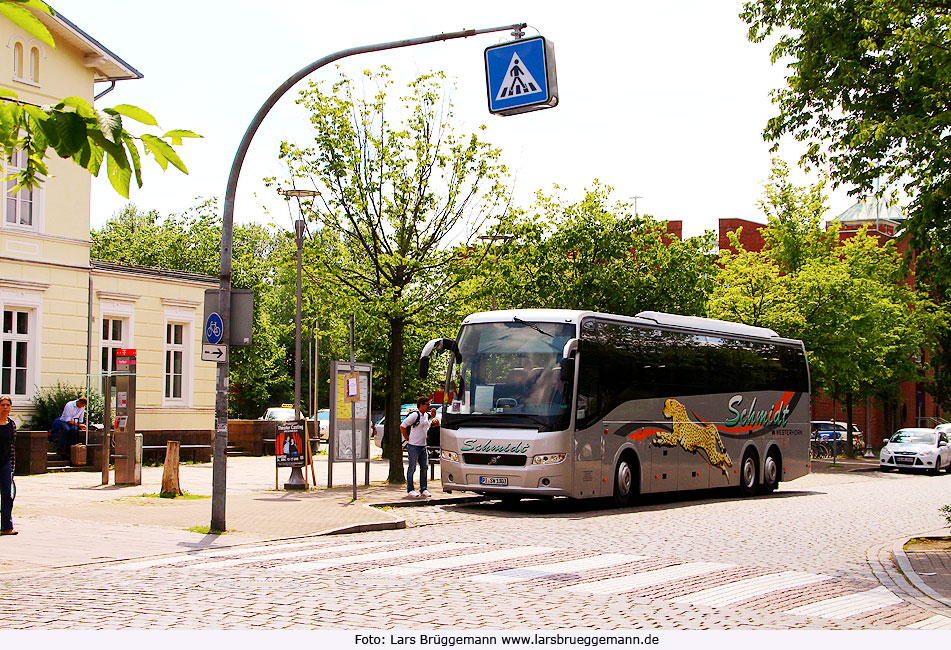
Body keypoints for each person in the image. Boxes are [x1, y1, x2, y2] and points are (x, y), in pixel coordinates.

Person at [401, 396, 439, 498]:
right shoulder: (415, 415)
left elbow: (429, 418)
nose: (429, 406)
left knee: (424, 468)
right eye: (427, 405)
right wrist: (406, 437)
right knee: (412, 467)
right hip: (414, 446)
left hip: (423, 446)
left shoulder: (426, 415)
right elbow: (403, 426)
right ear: (421, 405)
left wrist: (433, 415)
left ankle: (423, 488)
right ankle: (410, 489)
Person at [0, 394, 17, 535]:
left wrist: (12, 467)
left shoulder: (11, 425)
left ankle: (7, 526)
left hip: (5, 462)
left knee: (7, 494)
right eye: (2, 405)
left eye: (7, 405)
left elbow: (12, 446)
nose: (5, 408)